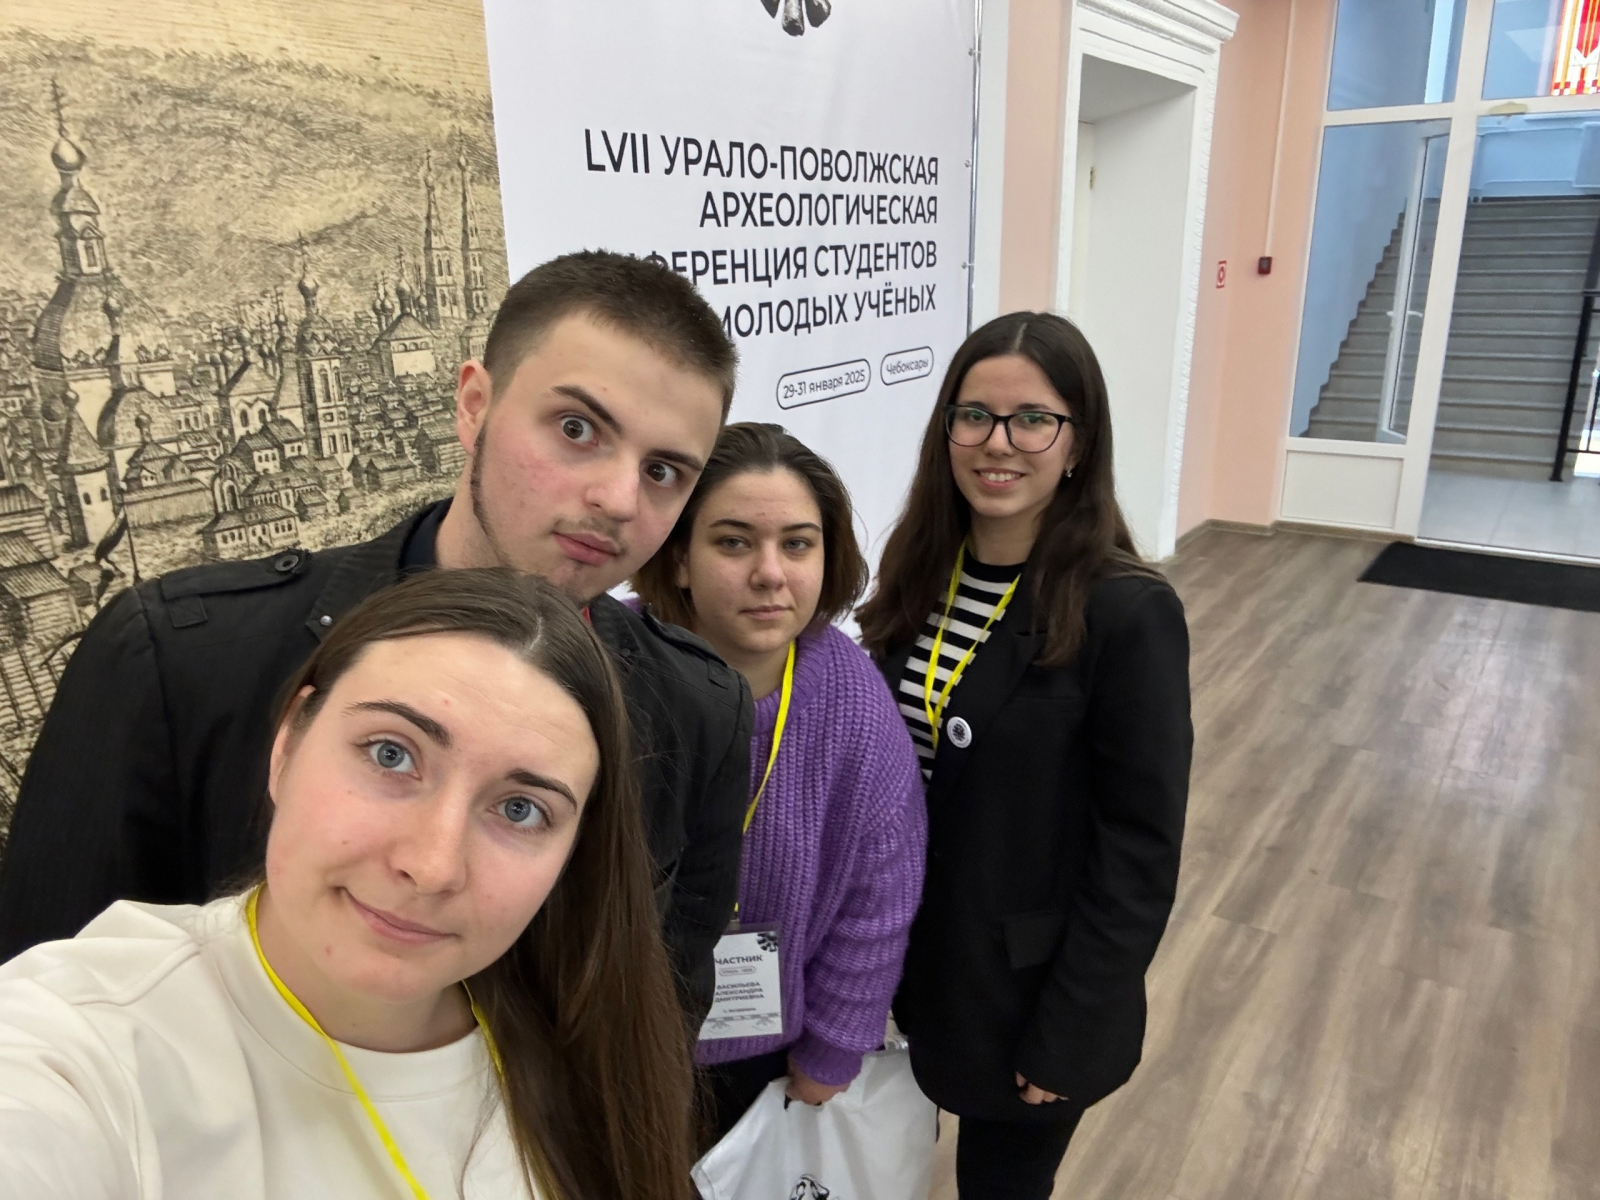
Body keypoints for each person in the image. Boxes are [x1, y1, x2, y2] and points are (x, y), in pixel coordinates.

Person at [0, 251, 753, 1022]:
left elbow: (660, 1015)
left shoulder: (698, 708)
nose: (620, 498)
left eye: (664, 472)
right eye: (576, 429)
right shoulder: (179, 664)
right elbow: (47, 1012)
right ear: (475, 407)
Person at [0, 568, 694, 1200]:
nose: (432, 865)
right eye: (391, 755)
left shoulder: (591, 1048)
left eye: (520, 810)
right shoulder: (82, 1050)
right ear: (287, 745)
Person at [857, 312, 1193, 1200]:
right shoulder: (920, 571)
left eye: (1033, 419)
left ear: (1077, 444)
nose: (997, 443)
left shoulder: (1127, 612)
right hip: (910, 965)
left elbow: (1139, 850)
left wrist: (1071, 1033)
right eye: (974, 416)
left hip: (1029, 998)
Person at [632, 422, 926, 1146]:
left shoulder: (851, 698)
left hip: (770, 1057)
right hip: (618, 1046)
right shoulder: (611, 667)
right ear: (679, 557)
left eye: (797, 544)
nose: (771, 573)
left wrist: (836, 1045)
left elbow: (879, 897)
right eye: (734, 543)